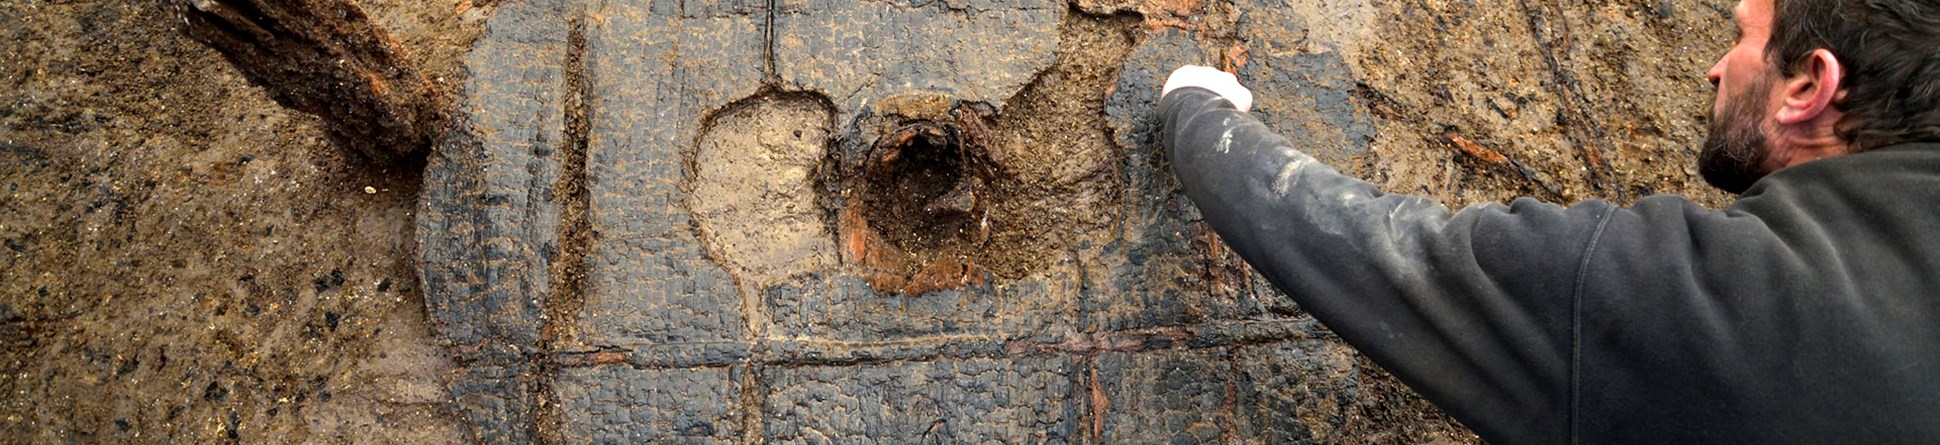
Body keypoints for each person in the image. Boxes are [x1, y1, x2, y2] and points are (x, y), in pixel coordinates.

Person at [1158, 0, 1940, 442]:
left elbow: (1381, 251)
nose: (1715, 68)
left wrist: (1194, 108)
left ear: (1809, 86)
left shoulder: (1717, 305)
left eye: (1742, 41)